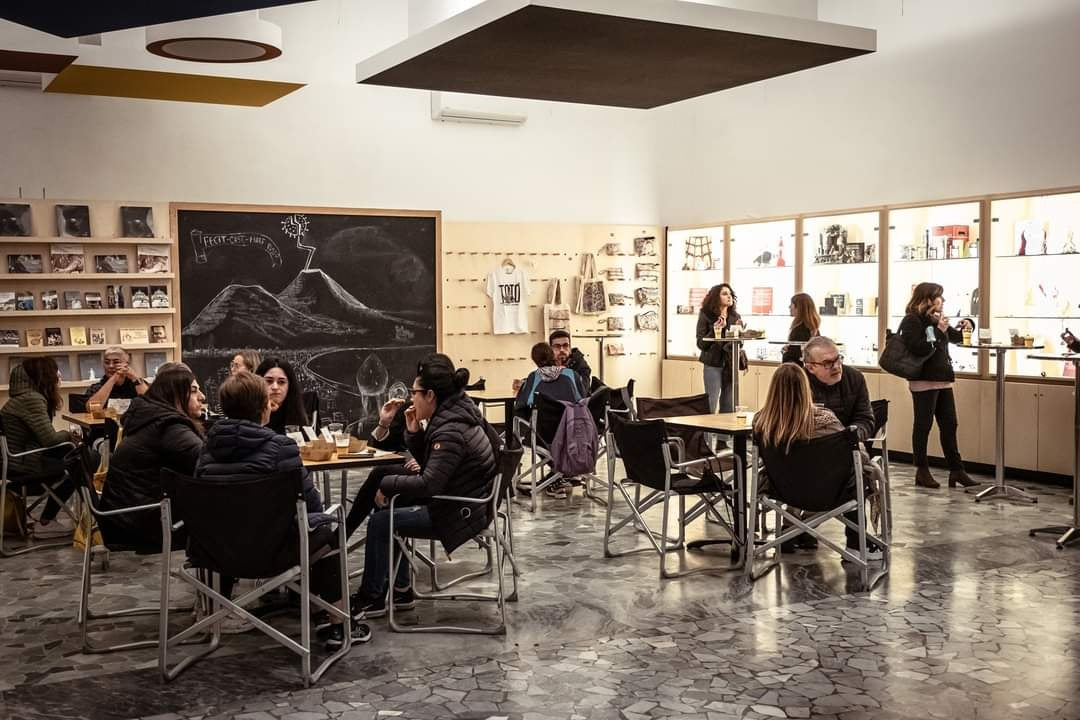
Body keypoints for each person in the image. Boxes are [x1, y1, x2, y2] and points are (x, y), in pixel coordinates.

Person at [195, 371, 369, 649]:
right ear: (264, 408)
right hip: (274, 552)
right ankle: (339, 621)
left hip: (216, 552)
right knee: (325, 526)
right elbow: (312, 506)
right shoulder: (281, 448)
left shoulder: (205, 451)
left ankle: (218, 612)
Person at [351, 354, 499, 618]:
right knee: (388, 494)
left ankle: (372, 597)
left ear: (430, 395)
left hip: (458, 512)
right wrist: (415, 433)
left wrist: (386, 485)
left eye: (414, 392)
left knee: (381, 521)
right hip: (464, 501)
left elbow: (430, 483)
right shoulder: (457, 414)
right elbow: (436, 467)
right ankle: (401, 588)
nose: (411, 398)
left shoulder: (450, 429)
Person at [754, 363, 884, 559]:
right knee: (856, 475)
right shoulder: (826, 420)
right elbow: (850, 457)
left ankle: (792, 527)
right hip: (830, 492)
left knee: (820, 474)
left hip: (781, 490)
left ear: (773, 390)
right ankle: (856, 545)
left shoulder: (761, 422)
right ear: (806, 388)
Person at [98, 366, 206, 547]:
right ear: (175, 395)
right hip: (144, 524)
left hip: (123, 517)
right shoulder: (169, 426)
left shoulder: (150, 418)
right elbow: (207, 463)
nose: (202, 396)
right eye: (194, 391)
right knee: (225, 515)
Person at [898, 282, 976, 489]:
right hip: (923, 379)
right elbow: (920, 348)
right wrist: (939, 330)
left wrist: (967, 324)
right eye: (939, 297)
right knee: (923, 426)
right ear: (928, 299)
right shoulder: (912, 321)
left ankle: (957, 470)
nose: (943, 301)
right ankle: (921, 470)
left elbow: (957, 338)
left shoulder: (936, 319)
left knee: (950, 424)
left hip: (942, 378)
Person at [0, 358, 80, 524]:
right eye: (54, 370)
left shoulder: (21, 398)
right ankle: (48, 519)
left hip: (16, 462)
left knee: (74, 455)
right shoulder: (32, 399)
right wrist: (70, 434)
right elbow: (50, 439)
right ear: (43, 376)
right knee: (82, 463)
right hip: (24, 466)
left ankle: (50, 518)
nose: (58, 374)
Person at [513, 342, 587, 499]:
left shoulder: (533, 377)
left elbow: (521, 405)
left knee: (531, 429)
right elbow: (582, 400)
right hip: (571, 433)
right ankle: (560, 475)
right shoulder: (571, 375)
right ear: (553, 356)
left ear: (534, 360)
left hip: (542, 437)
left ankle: (557, 475)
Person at [803, 336, 875, 442]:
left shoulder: (854, 378)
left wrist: (852, 435)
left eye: (838, 359)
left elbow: (865, 419)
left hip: (846, 443)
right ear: (810, 368)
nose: (836, 366)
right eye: (827, 363)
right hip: (810, 443)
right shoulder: (798, 382)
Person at [695, 283, 744, 413]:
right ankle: (708, 433)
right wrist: (714, 330)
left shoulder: (735, 317)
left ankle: (725, 434)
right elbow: (701, 344)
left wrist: (740, 333)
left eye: (730, 294)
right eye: (724, 294)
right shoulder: (706, 315)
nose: (729, 297)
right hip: (712, 364)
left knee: (729, 405)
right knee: (711, 403)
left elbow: (740, 343)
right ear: (716, 297)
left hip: (730, 364)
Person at [255, 357, 308, 435]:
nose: (275, 387)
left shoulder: (297, 414)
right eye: (269, 381)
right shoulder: (247, 414)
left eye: (281, 382)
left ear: (290, 386)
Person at [783, 293, 820, 365]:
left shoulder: (799, 330)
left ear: (799, 308)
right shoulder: (812, 328)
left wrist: (785, 352)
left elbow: (793, 358)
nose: (789, 307)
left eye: (792, 304)